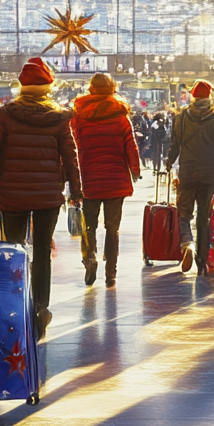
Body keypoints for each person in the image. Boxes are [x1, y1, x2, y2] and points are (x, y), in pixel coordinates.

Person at [0, 58, 82, 334]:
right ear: (48, 86)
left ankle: (12, 305)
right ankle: (40, 308)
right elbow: (70, 156)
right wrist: (76, 189)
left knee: (12, 251)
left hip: (12, 194)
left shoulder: (5, 114)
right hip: (47, 195)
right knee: (42, 252)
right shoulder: (60, 117)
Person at [70, 72, 140, 288]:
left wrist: (71, 176)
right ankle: (111, 273)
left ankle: (89, 258)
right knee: (112, 228)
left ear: (91, 88)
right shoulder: (120, 115)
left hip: (88, 178)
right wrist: (135, 170)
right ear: (112, 88)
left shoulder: (79, 115)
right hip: (115, 179)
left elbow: (73, 145)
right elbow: (131, 144)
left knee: (88, 225)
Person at [167, 79, 214, 275]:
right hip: (210, 174)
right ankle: (203, 259)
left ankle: (187, 243)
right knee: (205, 217)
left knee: (184, 213)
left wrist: (169, 162)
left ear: (193, 97)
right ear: (210, 96)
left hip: (188, 173)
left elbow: (175, 145)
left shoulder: (181, 118)